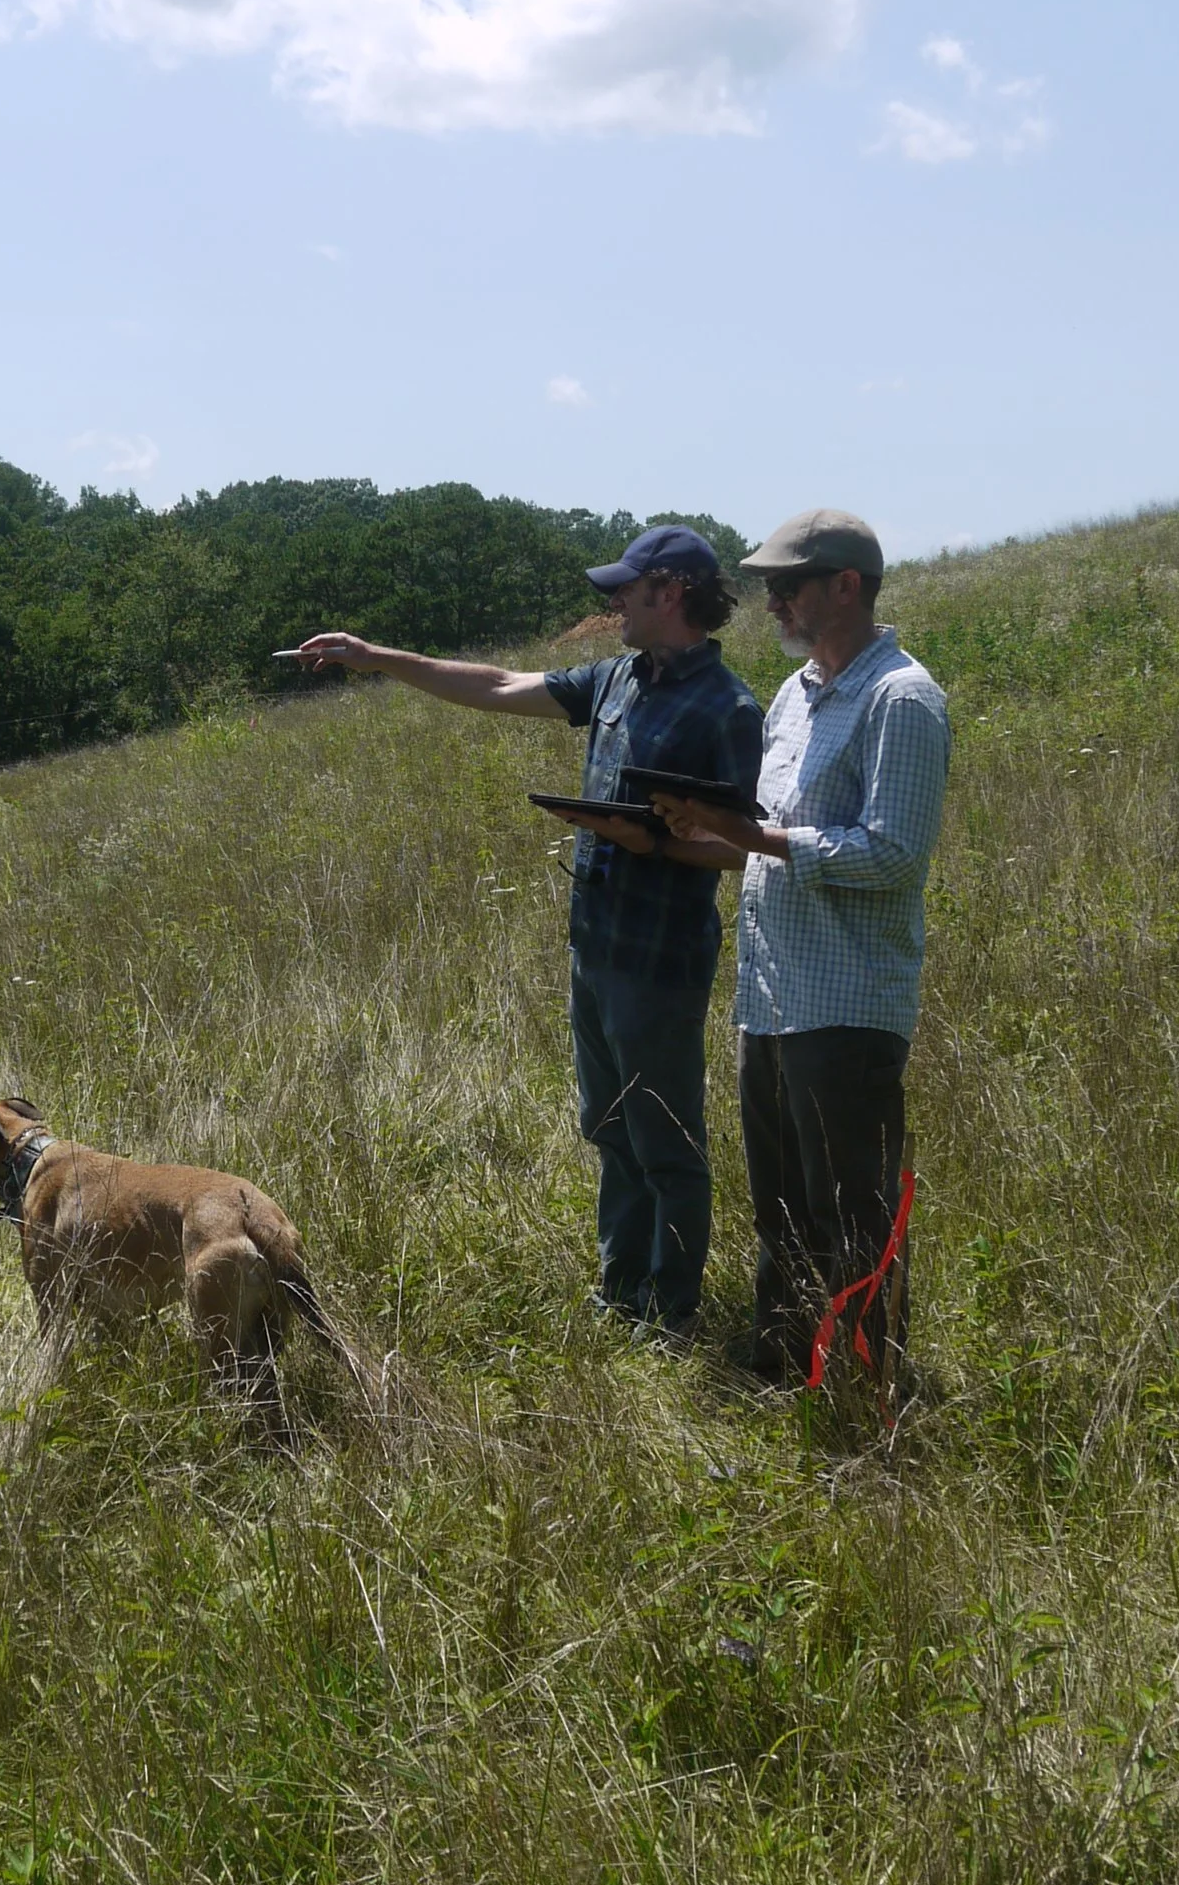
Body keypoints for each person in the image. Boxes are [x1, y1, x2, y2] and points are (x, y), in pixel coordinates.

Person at [293, 524, 764, 1343]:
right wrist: (382, 658)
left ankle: (673, 1313)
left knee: (667, 1139)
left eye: (625, 588)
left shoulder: (728, 709)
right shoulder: (619, 678)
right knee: (610, 1125)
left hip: (661, 964)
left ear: (673, 591)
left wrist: (656, 843)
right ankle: (621, 1295)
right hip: (596, 947)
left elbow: (746, 849)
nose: (610, 602)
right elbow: (504, 684)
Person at [650, 512, 949, 1385]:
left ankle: (864, 1394)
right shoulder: (795, 694)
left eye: (790, 584)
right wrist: (675, 835)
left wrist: (754, 835)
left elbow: (892, 853)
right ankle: (784, 1376)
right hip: (771, 1000)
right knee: (780, 1212)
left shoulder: (903, 698)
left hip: (848, 1006)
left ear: (846, 586)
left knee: (851, 1216)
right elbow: (764, 835)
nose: (772, 600)